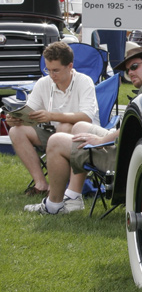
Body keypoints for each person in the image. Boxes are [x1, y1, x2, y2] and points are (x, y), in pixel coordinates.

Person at [24, 47, 142, 215]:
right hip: (135, 149)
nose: (130, 73)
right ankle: (73, 196)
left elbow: (134, 129)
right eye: (127, 70)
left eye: (134, 67)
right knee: (79, 126)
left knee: (56, 141)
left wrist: (101, 141)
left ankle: (53, 206)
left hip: (127, 158)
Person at [8, 41, 99, 198]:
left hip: (82, 138)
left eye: (55, 70)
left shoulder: (84, 82)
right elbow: (30, 112)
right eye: (48, 70)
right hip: (52, 133)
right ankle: (41, 184)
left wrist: (51, 116)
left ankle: (62, 188)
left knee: (64, 127)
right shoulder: (44, 83)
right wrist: (16, 118)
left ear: (70, 66)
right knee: (16, 131)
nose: (51, 75)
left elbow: (86, 117)